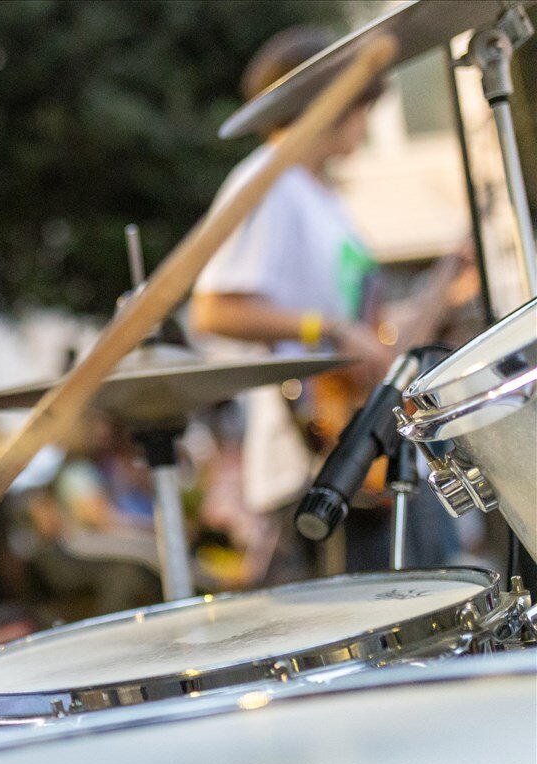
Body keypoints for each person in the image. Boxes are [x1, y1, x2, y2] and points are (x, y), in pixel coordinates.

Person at [189, 26, 459, 578]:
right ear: (329, 103)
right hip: (314, 461)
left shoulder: (324, 201)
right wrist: (330, 329)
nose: (367, 121)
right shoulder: (270, 183)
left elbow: (378, 348)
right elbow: (212, 308)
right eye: (362, 103)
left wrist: (449, 281)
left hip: (362, 453)